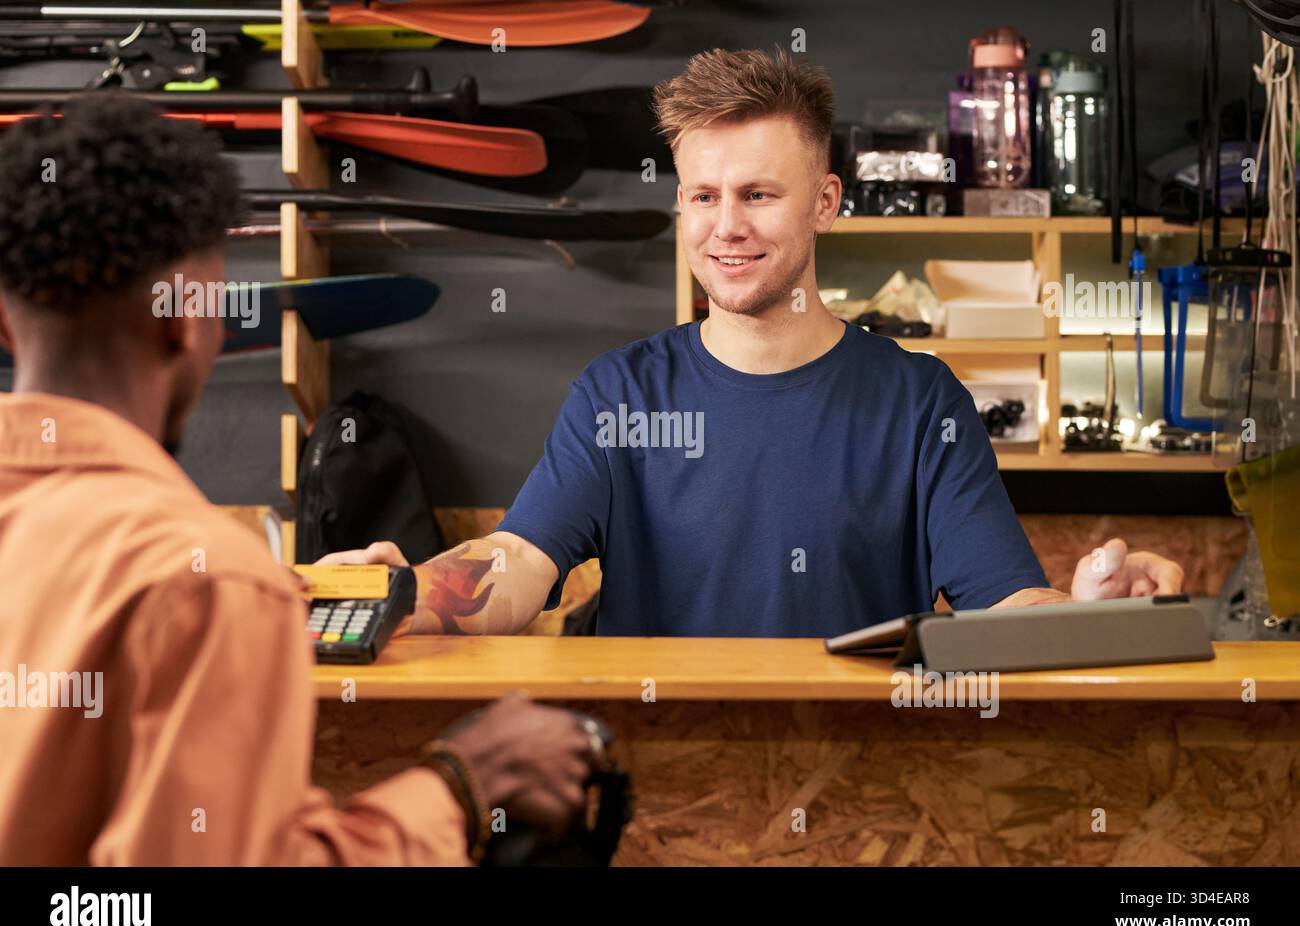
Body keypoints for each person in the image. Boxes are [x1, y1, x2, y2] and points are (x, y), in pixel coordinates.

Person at [326, 47, 1185, 638]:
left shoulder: (921, 404)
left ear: (825, 202)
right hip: (659, 796)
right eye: (703, 197)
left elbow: (1005, 606)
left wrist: (1086, 611)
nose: (725, 228)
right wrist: (406, 597)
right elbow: (517, 561)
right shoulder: (619, 397)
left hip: (862, 794)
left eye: (759, 195)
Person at [0, 95, 602, 866]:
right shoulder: (206, 584)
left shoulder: (198, 583)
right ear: (186, 322)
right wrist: (460, 784)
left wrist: (290, 590)